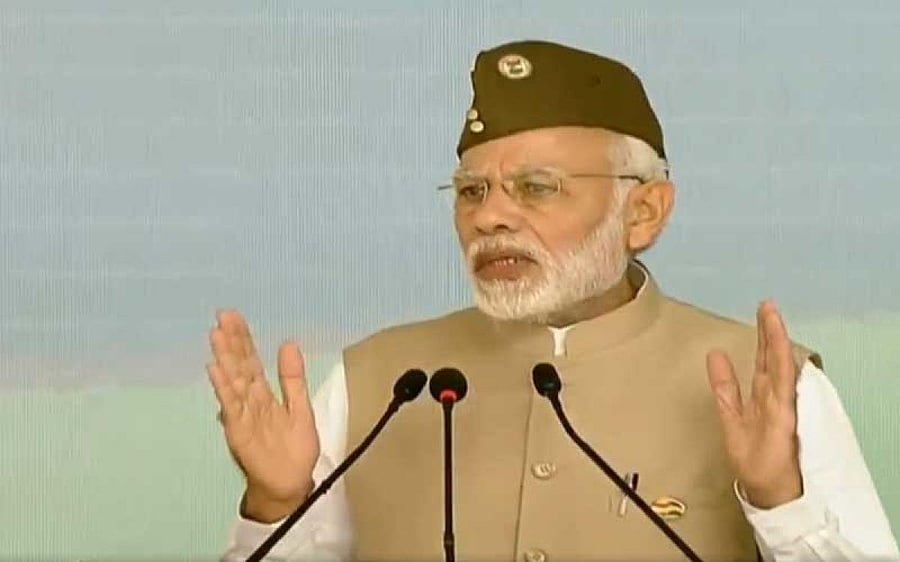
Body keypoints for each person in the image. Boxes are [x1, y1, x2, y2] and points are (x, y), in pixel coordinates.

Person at [207, 39, 899, 561]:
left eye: (536, 188)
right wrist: (277, 501)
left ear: (645, 213)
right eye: (472, 192)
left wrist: (780, 501)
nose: (490, 218)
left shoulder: (765, 384)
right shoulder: (380, 381)